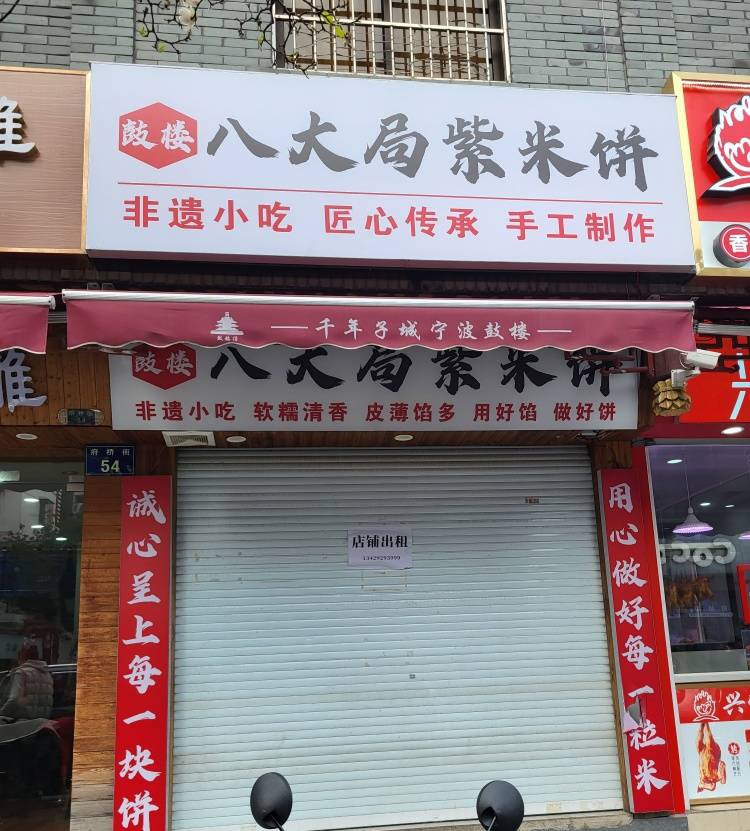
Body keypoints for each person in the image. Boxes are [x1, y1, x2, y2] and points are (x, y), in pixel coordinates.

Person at [0, 642, 54, 721]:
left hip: (21, 722)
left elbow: (14, 699)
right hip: (41, 723)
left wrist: (2, 713)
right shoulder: (47, 674)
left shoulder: (21, 673)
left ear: (21, 656)